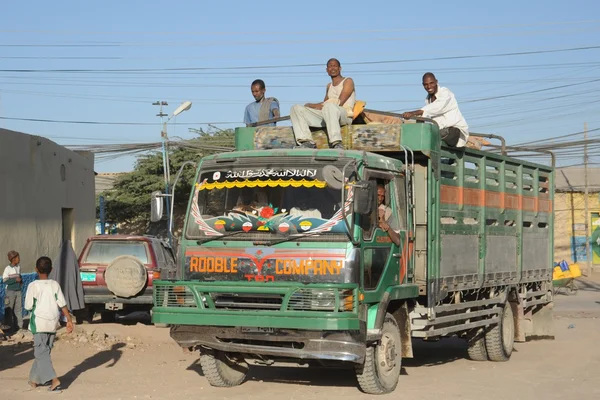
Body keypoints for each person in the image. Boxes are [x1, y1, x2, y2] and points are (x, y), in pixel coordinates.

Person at [25, 256, 73, 393]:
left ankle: (53, 379)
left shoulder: (33, 286)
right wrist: (69, 320)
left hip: (39, 323)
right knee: (43, 353)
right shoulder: (55, 284)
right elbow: (62, 304)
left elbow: (28, 306)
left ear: (36, 269)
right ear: (51, 269)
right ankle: (34, 379)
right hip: (53, 323)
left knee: (41, 353)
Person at [290, 58, 356, 149]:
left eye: (334, 66)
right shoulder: (329, 86)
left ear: (340, 68)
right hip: (329, 115)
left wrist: (318, 106)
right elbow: (325, 103)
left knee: (330, 106)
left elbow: (339, 102)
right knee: (296, 108)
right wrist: (310, 105)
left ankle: (336, 142)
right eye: (330, 66)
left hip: (344, 114)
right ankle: (307, 142)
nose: (332, 68)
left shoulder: (348, 81)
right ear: (327, 70)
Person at [402, 72, 469, 148]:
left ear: (436, 82)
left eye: (431, 83)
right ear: (423, 85)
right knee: (419, 134)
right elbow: (427, 115)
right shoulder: (428, 99)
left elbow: (437, 107)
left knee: (430, 134)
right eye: (426, 84)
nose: (429, 86)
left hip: (454, 132)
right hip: (440, 131)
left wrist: (413, 113)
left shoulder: (445, 92)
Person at [3, 250, 24, 332]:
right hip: (10, 292)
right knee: (9, 309)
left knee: (18, 309)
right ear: (13, 259)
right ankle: (8, 327)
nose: (19, 259)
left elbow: (19, 276)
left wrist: (21, 281)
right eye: (18, 257)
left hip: (18, 291)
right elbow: (5, 280)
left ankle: (19, 327)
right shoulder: (7, 269)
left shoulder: (18, 267)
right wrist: (15, 280)